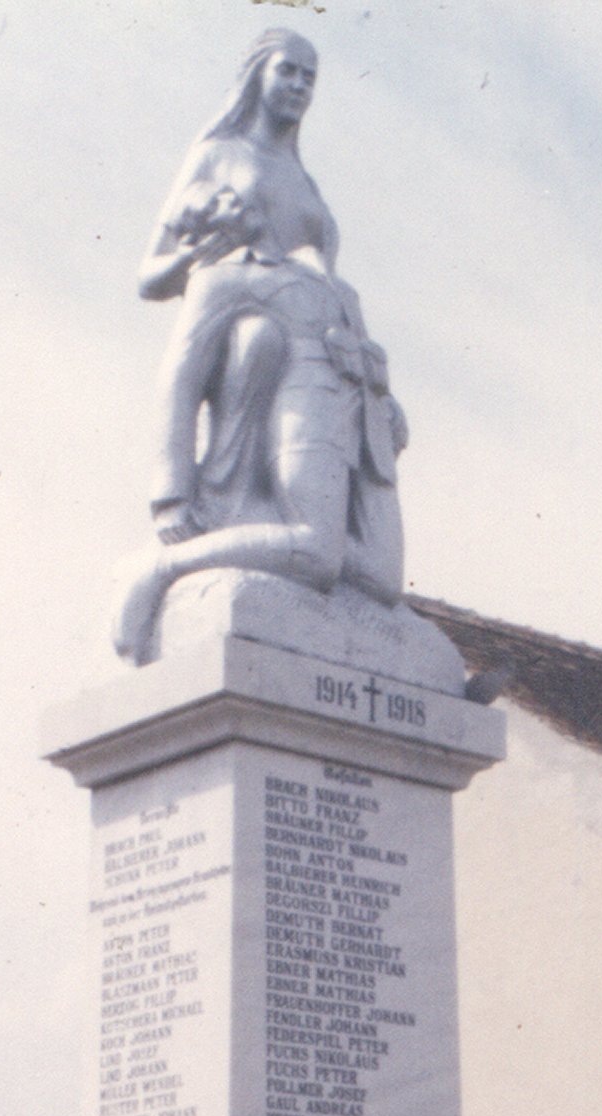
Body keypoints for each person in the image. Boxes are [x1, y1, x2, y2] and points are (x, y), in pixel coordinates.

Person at [110, 32, 408, 664]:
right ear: (257, 76)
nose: (300, 86)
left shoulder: (306, 180)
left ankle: (295, 557)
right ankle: (165, 569)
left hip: (348, 383)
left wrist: (385, 404)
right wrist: (171, 488)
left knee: (382, 577)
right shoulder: (219, 157)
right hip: (274, 364)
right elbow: (165, 314)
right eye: (288, 72)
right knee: (317, 549)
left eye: (310, 77)